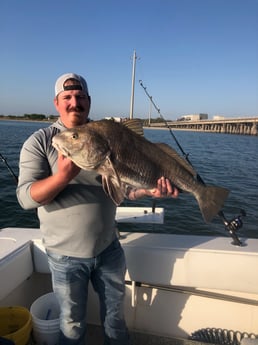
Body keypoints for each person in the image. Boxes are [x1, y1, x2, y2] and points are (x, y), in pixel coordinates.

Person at [16, 73, 178, 345]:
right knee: (72, 324)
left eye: (80, 97)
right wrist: (62, 176)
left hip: (109, 249)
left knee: (116, 320)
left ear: (89, 102)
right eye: (67, 97)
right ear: (57, 103)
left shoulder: (104, 137)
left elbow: (122, 189)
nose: (74, 103)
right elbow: (25, 198)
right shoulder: (41, 141)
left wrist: (149, 191)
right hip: (65, 257)